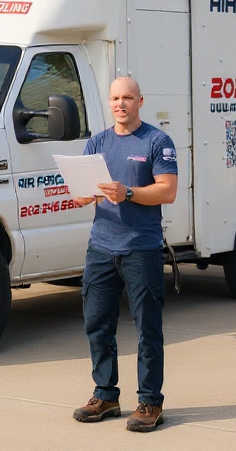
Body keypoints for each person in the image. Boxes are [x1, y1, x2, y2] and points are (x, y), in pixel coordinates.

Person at [71, 76, 178, 432]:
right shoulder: (97, 142)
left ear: (140, 101)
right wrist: (82, 193)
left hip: (140, 249)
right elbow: (82, 195)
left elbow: (167, 191)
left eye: (127, 98)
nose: (120, 104)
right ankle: (106, 395)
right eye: (115, 98)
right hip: (101, 247)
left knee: (148, 328)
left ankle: (150, 402)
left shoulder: (157, 141)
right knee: (97, 324)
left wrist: (127, 193)